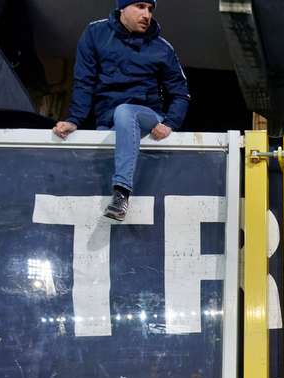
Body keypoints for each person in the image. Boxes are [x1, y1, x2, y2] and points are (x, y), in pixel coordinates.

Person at [52, 0, 190, 221]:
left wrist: (170, 123)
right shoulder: (95, 33)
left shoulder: (162, 48)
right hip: (109, 122)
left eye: (150, 9)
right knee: (99, 162)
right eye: (140, 6)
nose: (147, 14)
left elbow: (180, 93)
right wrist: (74, 119)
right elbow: (84, 81)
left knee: (125, 112)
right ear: (122, 8)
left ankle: (122, 194)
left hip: (147, 116)